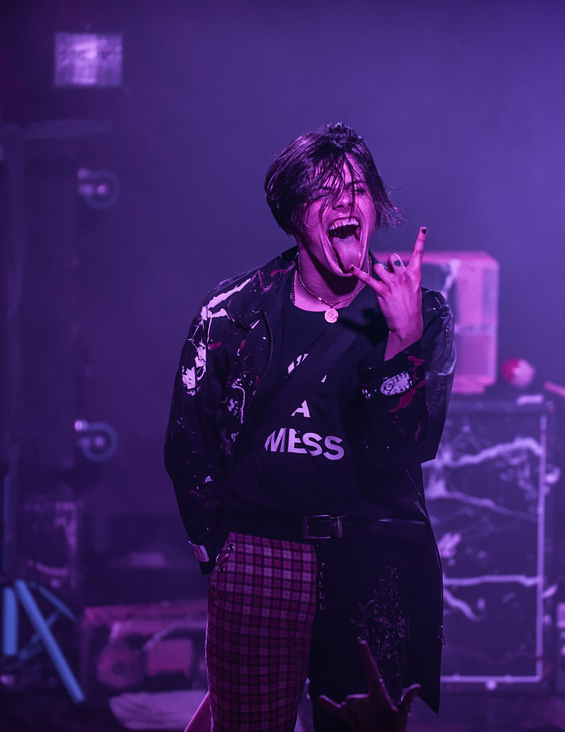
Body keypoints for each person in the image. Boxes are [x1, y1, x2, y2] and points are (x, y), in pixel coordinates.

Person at [164, 122, 456, 732]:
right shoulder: (233, 313)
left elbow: (404, 448)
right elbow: (190, 443)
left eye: (358, 189)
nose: (346, 202)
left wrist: (402, 338)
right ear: (294, 214)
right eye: (325, 192)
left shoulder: (421, 312)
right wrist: (221, 553)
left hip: (372, 560)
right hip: (261, 554)